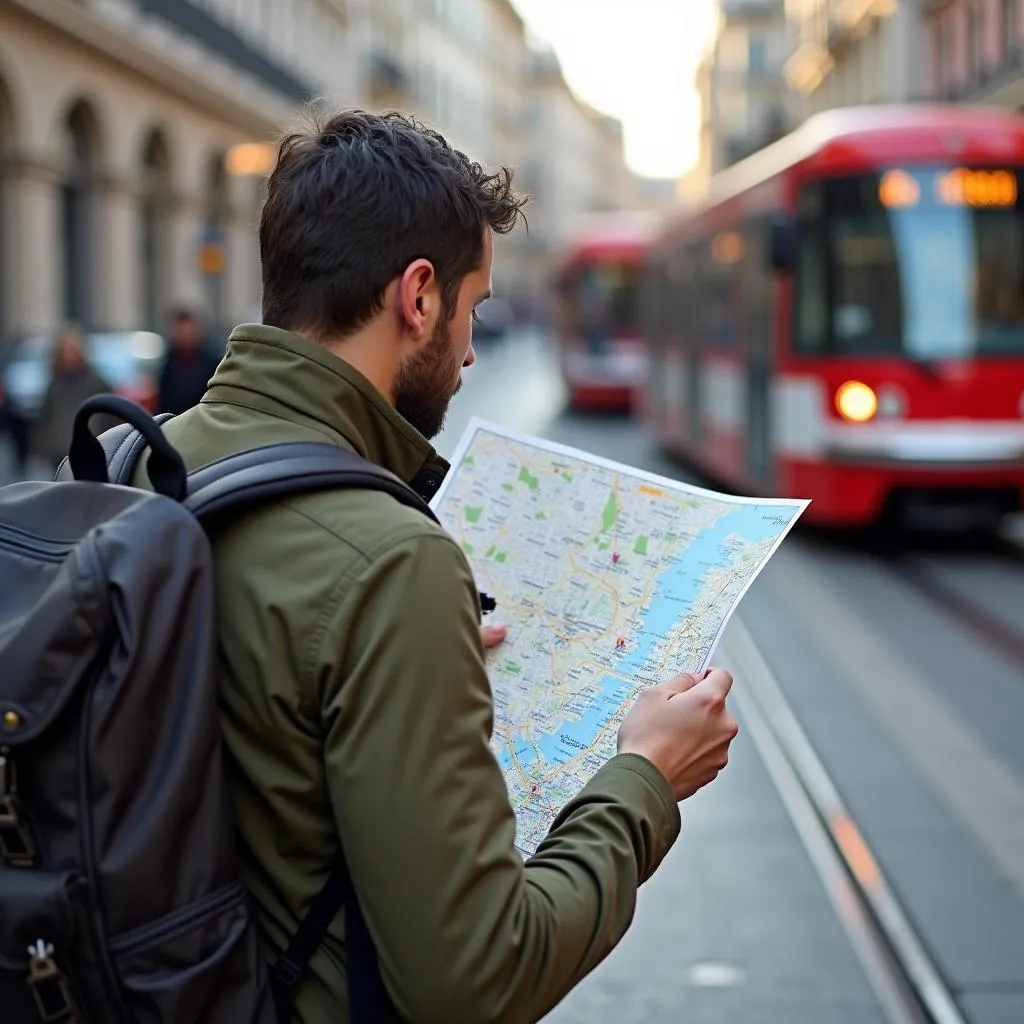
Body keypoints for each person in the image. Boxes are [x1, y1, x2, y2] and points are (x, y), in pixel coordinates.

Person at [133, 109, 739, 1023]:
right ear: (419, 296)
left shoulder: (117, 465)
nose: (466, 349)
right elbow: (475, 981)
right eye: (474, 310)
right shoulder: (388, 563)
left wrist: (419, 665)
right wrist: (646, 777)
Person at [29, 322, 113, 473]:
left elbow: (107, 414)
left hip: (89, 446)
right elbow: (47, 415)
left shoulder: (94, 381)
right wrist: (42, 447)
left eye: (72, 350)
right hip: (60, 449)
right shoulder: (54, 382)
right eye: (65, 350)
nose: (69, 355)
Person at [156, 307, 222, 414]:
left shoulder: (212, 363)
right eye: (179, 331)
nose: (184, 336)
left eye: (187, 331)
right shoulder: (167, 363)